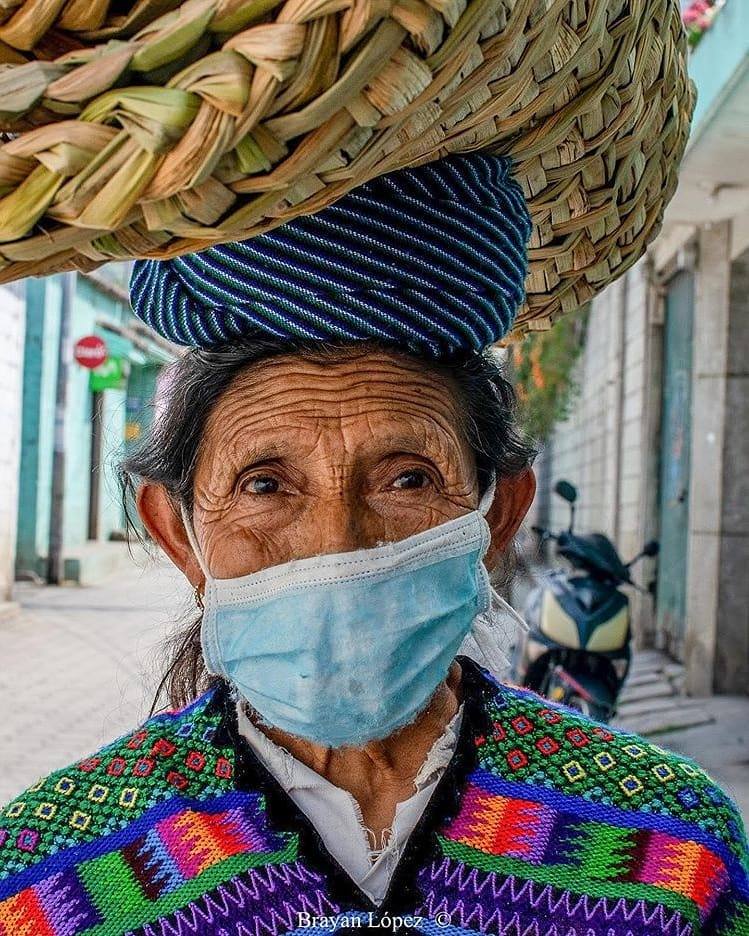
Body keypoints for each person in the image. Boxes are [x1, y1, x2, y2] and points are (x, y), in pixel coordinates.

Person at [0, 150, 746, 935]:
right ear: (176, 534)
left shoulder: (674, 850)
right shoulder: (45, 878)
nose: (337, 546)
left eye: (407, 479)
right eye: (264, 484)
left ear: (496, 517)